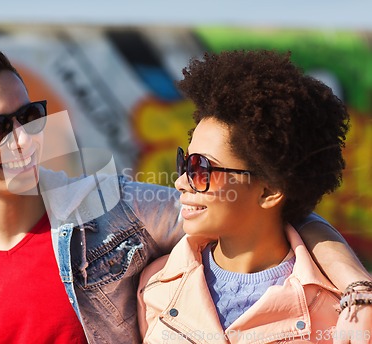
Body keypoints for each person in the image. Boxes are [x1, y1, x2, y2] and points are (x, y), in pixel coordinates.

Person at [0, 41, 370, 344]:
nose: (24, 139)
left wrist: (356, 286)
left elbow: (271, 214)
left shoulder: (116, 208)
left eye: (29, 116)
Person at [137, 50, 372, 343]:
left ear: (270, 190)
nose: (181, 181)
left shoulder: (342, 315)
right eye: (185, 163)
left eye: (201, 168)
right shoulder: (156, 286)